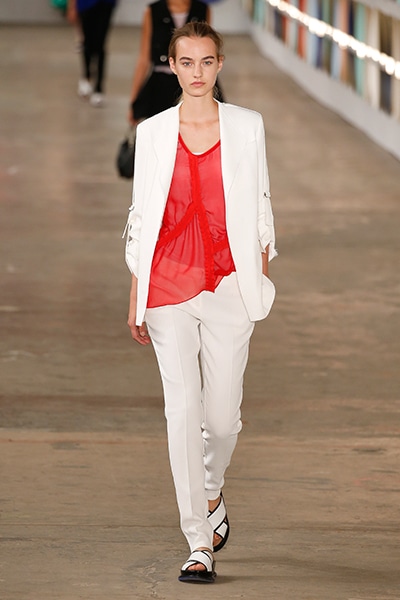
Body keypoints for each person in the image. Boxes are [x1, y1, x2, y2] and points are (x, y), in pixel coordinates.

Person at [124, 21, 277, 583]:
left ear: (219, 64)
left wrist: (259, 274)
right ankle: (198, 541)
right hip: (167, 282)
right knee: (184, 411)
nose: (196, 72)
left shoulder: (247, 126)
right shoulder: (153, 132)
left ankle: (211, 488)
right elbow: (142, 216)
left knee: (223, 418)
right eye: (186, 62)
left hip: (229, 282)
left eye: (206, 61)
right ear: (172, 65)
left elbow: (260, 203)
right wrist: (137, 291)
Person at [128, 0, 224, 125]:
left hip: (196, 84)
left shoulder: (202, 9)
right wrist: (134, 100)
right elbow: (144, 58)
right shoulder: (153, 11)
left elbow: (208, 48)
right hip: (161, 86)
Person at [68, 0, 118, 107]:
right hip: (86, 4)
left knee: (100, 44)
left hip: (105, 4)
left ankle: (99, 88)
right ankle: (86, 77)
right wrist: (72, 6)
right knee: (87, 42)